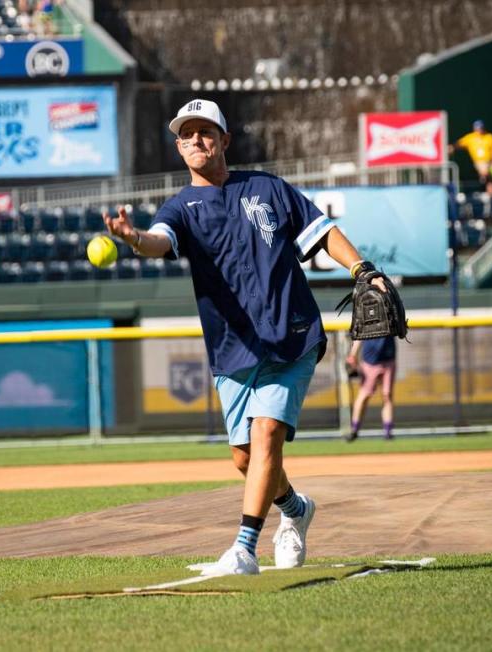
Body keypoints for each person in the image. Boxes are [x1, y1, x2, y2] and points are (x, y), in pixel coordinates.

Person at [103, 99, 389, 575]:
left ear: (224, 140)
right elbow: (159, 242)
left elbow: (322, 231)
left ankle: (243, 548)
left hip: (291, 334)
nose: (196, 139)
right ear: (178, 146)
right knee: (245, 457)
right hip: (232, 348)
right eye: (187, 133)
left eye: (205, 131)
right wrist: (132, 239)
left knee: (267, 433)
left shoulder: (267, 188)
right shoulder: (181, 208)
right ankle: (296, 510)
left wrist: (363, 268)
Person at [344, 335, 397, 441]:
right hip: (370, 361)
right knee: (364, 396)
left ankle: (388, 432)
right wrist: (353, 354)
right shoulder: (366, 318)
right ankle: (354, 430)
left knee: (387, 395)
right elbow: (359, 336)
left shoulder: (391, 317)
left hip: (388, 359)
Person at [452, 120, 492, 197]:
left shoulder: (490, 137)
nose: (479, 130)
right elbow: (459, 144)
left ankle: (490, 196)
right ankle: (483, 179)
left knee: (491, 179)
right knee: (484, 171)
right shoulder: (470, 138)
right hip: (479, 163)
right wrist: (452, 148)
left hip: (490, 163)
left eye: (480, 128)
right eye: (477, 128)